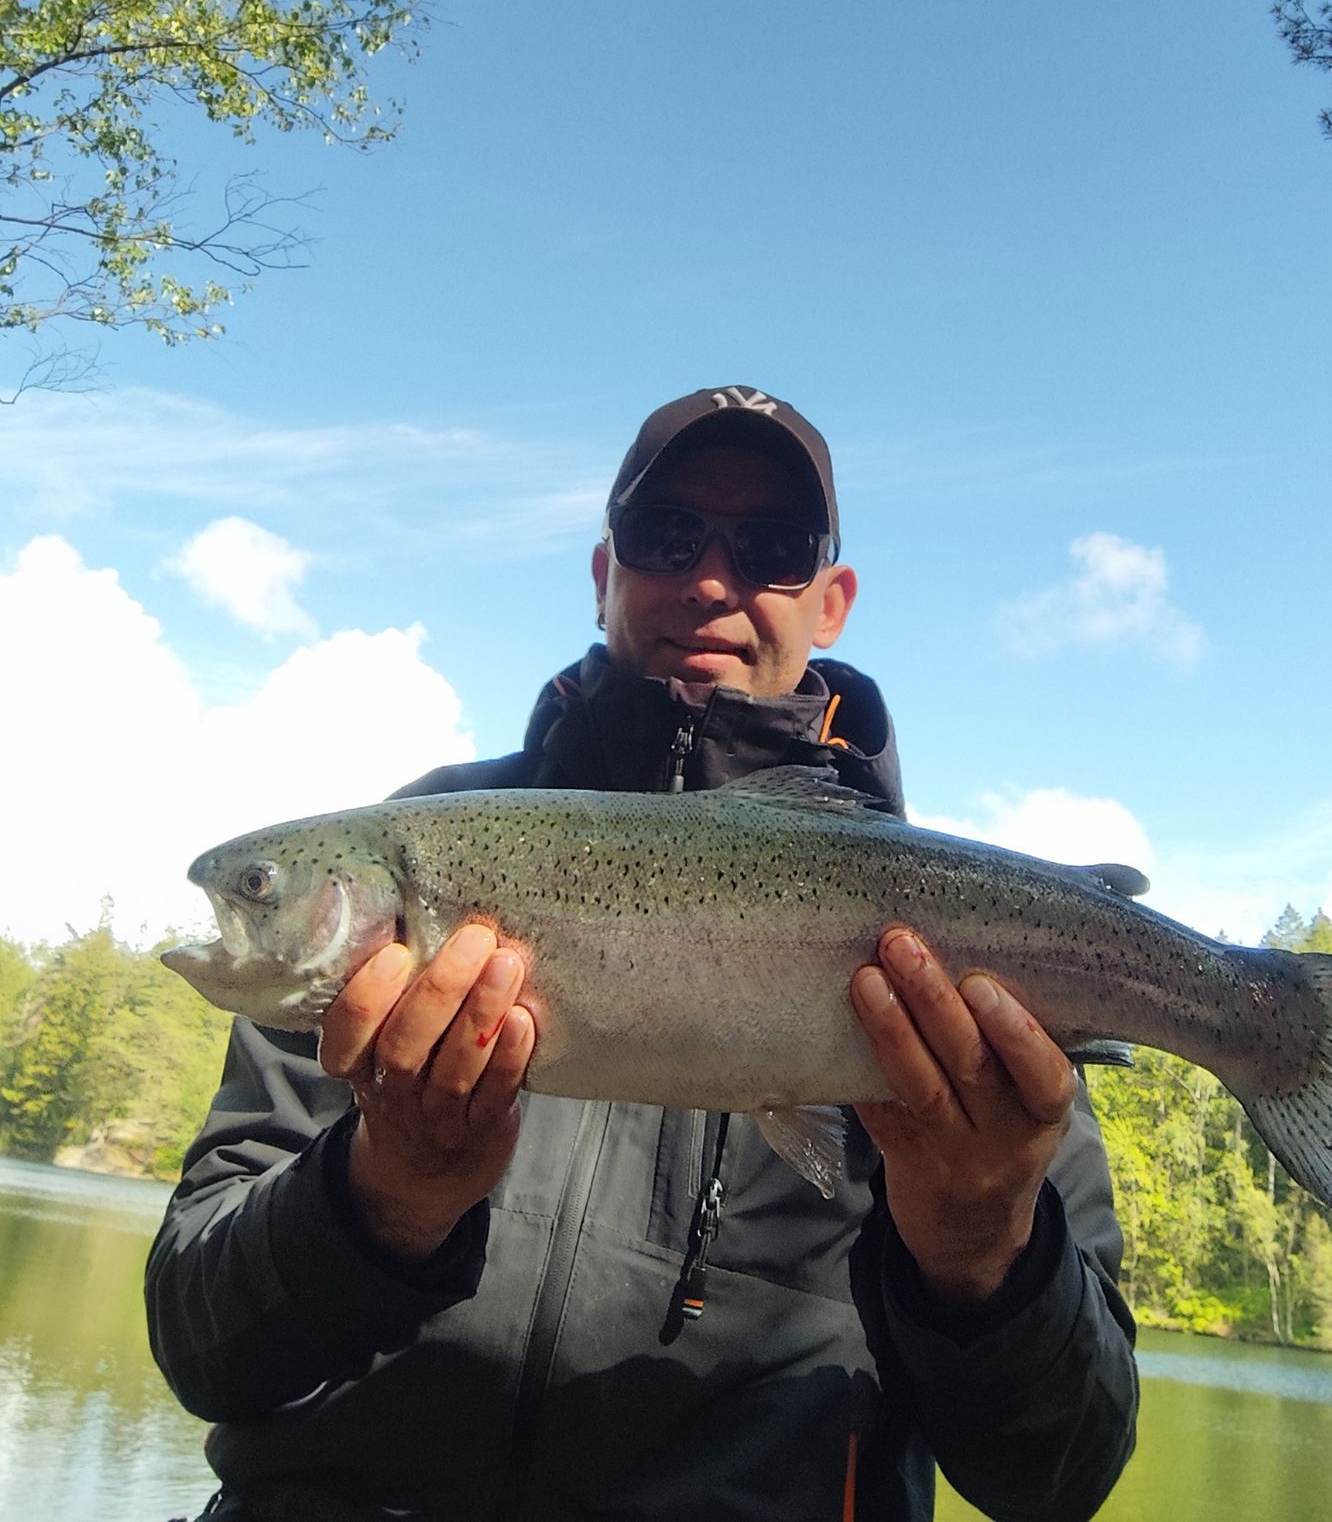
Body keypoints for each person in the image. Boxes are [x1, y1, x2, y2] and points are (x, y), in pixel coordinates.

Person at [147, 383, 1139, 1522]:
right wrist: (382, 1195)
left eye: (771, 547)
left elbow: (1059, 1479)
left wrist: (985, 1247)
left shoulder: (948, 924)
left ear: (832, 601)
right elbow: (200, 1345)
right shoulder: (407, 858)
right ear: (603, 568)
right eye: (667, 532)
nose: (710, 579)